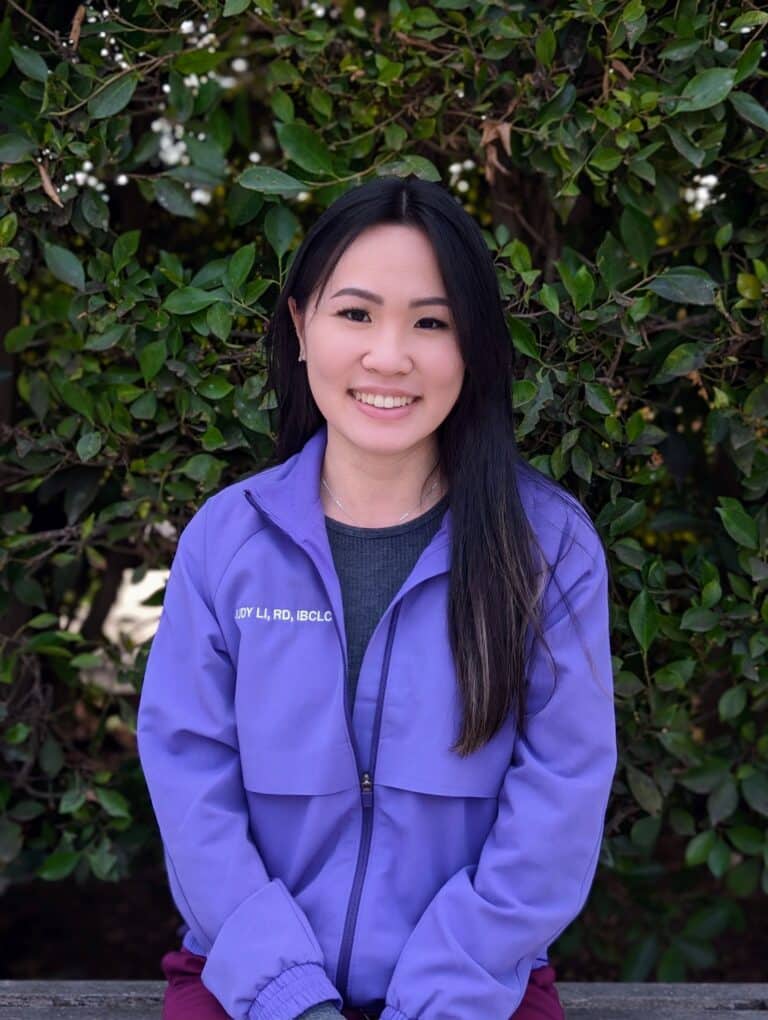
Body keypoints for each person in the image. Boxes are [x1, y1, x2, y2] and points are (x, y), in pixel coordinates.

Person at [137, 174, 617, 1020]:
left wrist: (444, 995)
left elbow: (561, 798)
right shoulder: (226, 540)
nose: (389, 356)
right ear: (299, 325)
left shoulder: (548, 546)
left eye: (431, 322)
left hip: (478, 986)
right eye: (355, 313)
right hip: (246, 980)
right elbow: (190, 787)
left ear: (473, 345)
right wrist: (291, 996)